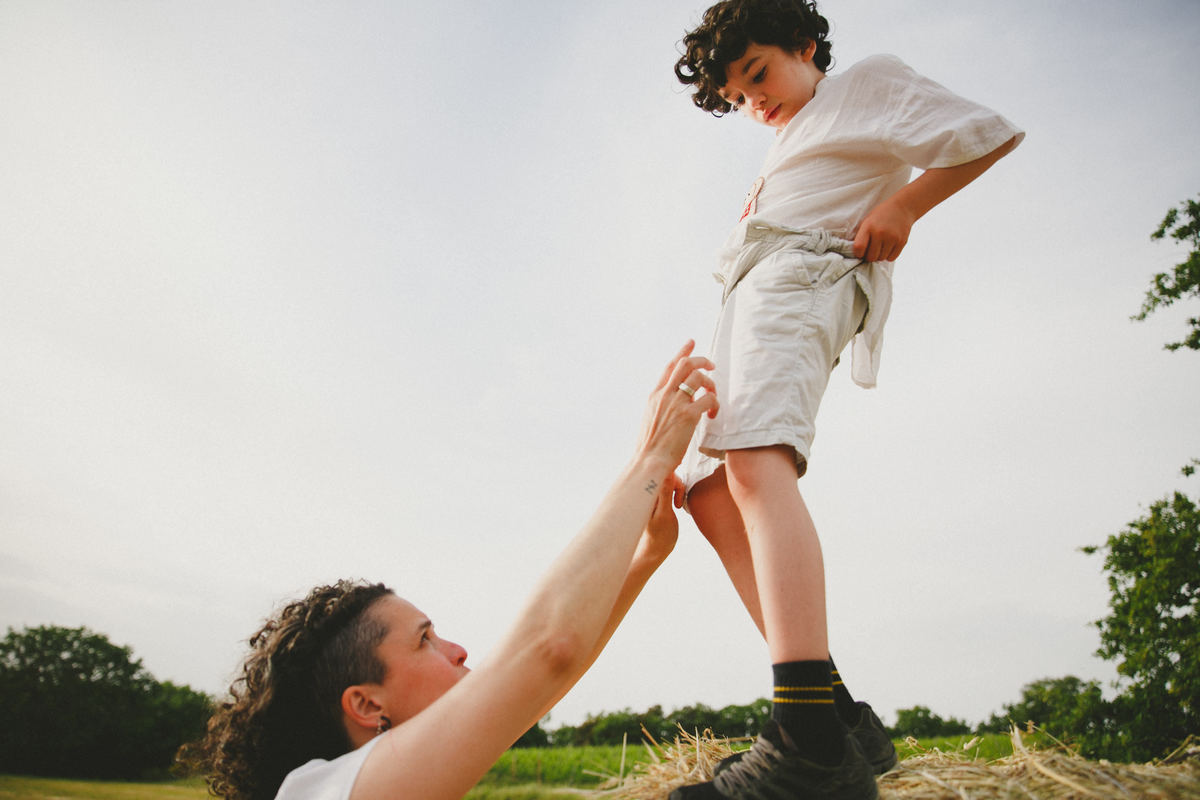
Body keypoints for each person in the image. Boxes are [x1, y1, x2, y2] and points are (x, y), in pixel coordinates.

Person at [670, 1, 1024, 798]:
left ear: (803, 43)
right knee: (711, 494)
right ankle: (840, 719)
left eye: (757, 73)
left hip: (800, 283)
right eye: (736, 97)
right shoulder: (786, 139)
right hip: (751, 301)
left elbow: (989, 132)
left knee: (758, 465)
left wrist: (903, 206)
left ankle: (806, 742)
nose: (752, 100)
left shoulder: (863, 84)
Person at [183, 342, 718, 800]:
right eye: (424, 641)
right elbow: (545, 651)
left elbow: (536, 684)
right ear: (367, 704)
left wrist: (644, 558)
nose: (459, 650)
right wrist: (650, 460)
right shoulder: (320, 794)